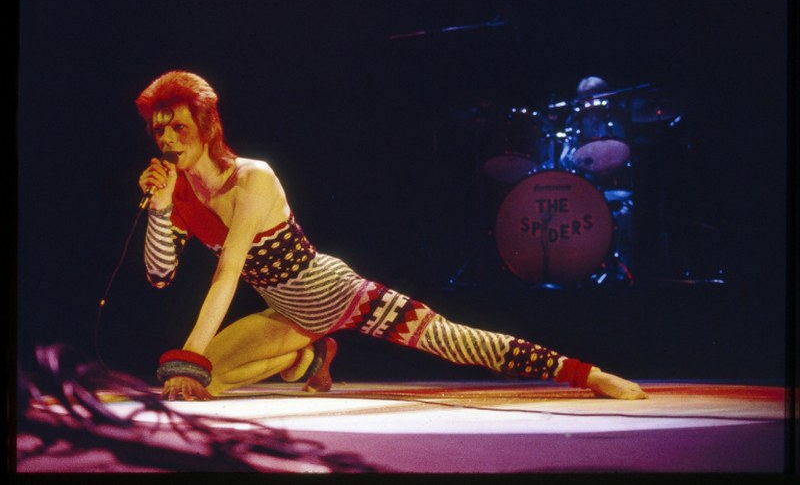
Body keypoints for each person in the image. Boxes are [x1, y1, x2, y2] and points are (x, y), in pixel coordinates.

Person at [136, 70, 648, 402]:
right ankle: (306, 357)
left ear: (206, 127)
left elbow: (228, 272)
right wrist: (160, 210)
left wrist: (189, 358)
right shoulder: (180, 195)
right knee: (206, 386)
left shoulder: (252, 177)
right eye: (160, 130)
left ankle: (587, 373)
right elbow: (160, 277)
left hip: (339, 294)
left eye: (178, 127)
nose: (168, 139)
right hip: (288, 315)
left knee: (454, 340)